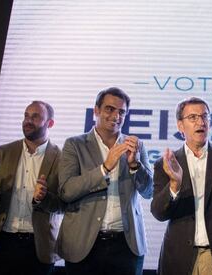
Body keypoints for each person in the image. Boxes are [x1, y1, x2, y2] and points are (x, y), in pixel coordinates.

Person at [57, 87, 153, 275]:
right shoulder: (74, 145)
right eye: (110, 109)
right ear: (96, 111)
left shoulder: (136, 145)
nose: (116, 116)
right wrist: (104, 168)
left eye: (121, 112)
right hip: (84, 245)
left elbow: (149, 191)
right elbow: (66, 191)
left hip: (126, 245)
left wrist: (135, 166)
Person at [151, 97, 212, 275]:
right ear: (180, 126)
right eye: (193, 117)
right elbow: (159, 213)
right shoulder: (165, 164)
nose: (201, 122)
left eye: (205, 116)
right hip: (179, 257)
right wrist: (174, 184)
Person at [0, 100, 64, 275]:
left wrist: (44, 198)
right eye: (26, 116)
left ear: (50, 123)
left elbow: (63, 205)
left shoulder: (62, 158)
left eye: (35, 117)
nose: (28, 120)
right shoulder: (3, 152)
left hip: (39, 246)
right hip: (1, 241)